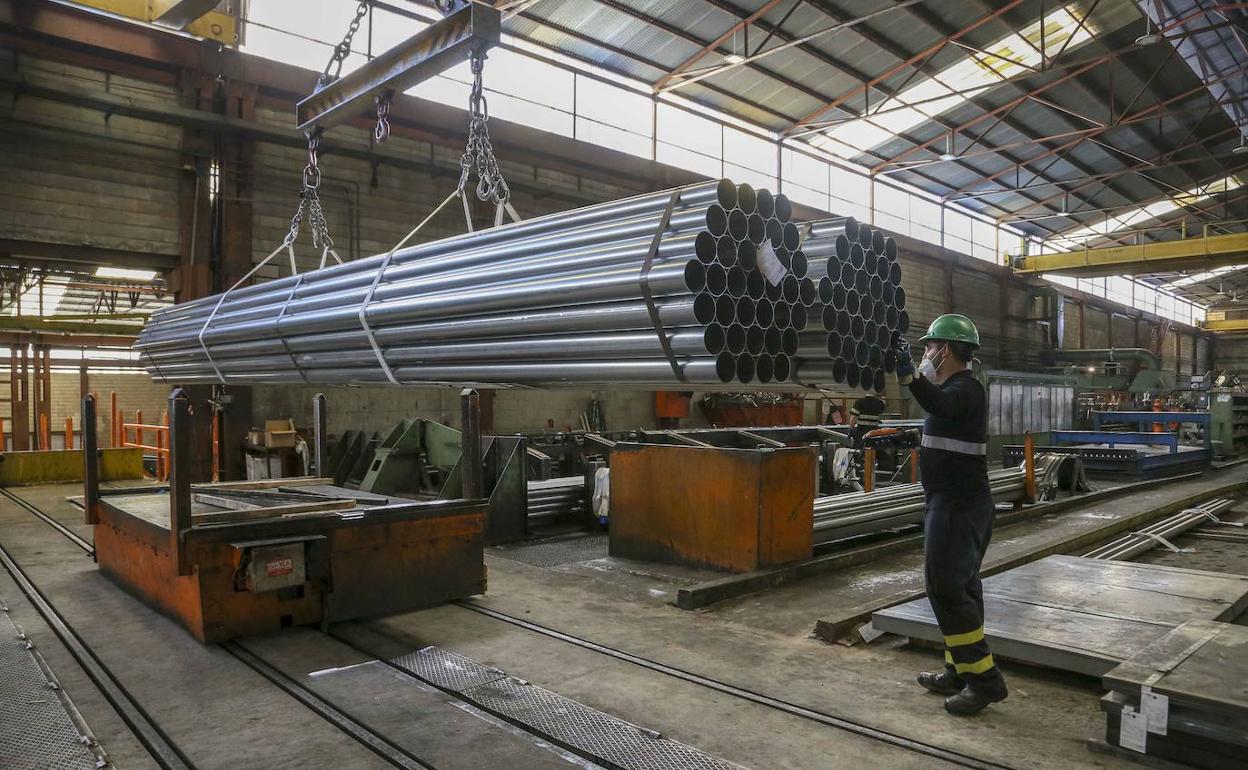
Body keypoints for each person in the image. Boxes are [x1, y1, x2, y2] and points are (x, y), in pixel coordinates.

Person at [893, 314, 1007, 716]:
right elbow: (942, 422)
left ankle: (984, 682)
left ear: (947, 350)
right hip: (954, 504)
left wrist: (910, 376)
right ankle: (958, 670)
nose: (926, 354)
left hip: (959, 507)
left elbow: (938, 403)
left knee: (946, 589)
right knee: (961, 589)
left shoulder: (966, 388)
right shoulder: (955, 391)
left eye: (929, 348)